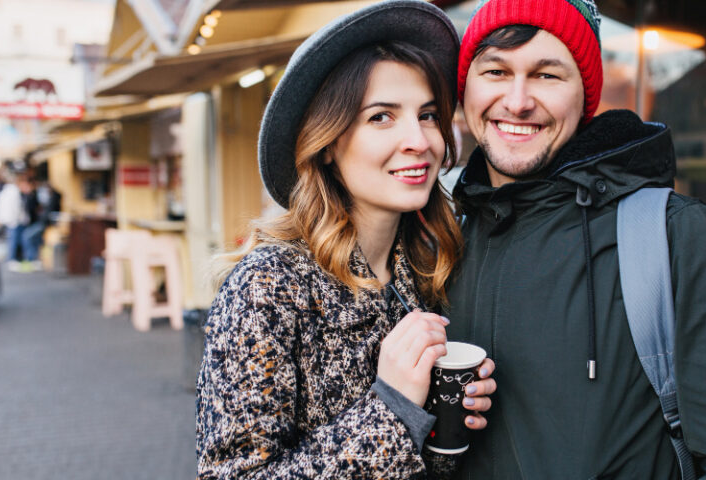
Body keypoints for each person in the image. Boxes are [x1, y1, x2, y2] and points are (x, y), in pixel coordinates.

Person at [443, 0, 706, 478]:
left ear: (585, 97)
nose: (517, 100)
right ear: (465, 87)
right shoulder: (439, 238)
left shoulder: (673, 236)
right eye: (495, 71)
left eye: (547, 75)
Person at [196, 1, 496, 478]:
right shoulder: (268, 286)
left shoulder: (428, 264)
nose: (418, 140)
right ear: (330, 142)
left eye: (428, 114)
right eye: (381, 117)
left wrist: (444, 424)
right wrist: (393, 408)